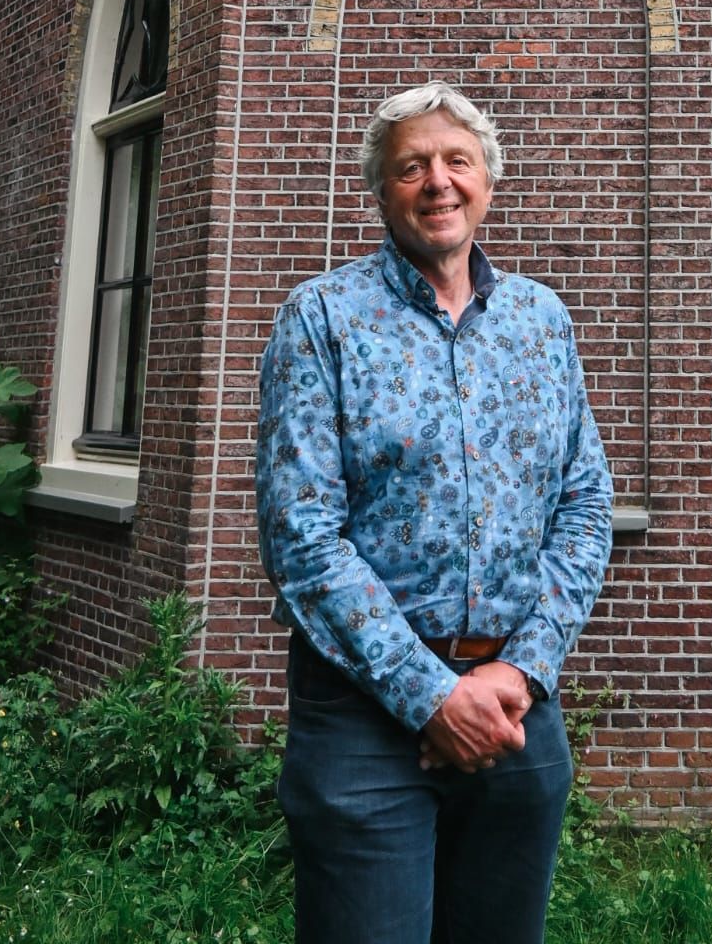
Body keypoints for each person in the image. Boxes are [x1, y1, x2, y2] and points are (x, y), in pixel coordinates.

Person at [256, 82, 613, 944]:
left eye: (457, 161)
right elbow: (301, 533)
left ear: (488, 180)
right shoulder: (322, 319)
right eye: (411, 167)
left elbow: (584, 501)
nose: (438, 183)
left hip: (517, 711)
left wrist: (518, 672)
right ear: (382, 194)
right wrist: (430, 698)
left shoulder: (541, 320)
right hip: (361, 724)